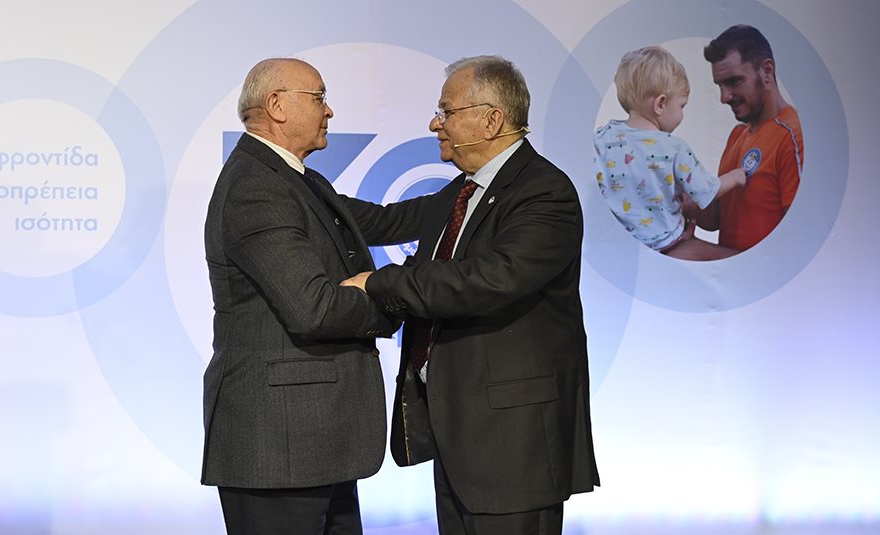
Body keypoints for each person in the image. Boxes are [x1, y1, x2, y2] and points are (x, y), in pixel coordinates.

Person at [342, 56, 599, 535]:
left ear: (491, 119)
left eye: (446, 111)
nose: (434, 123)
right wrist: (295, 184)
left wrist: (378, 283)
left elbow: (486, 282)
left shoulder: (545, 192)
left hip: (514, 446)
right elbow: (383, 221)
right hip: (460, 438)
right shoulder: (461, 192)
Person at [201, 58, 424, 535]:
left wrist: (471, 194)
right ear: (277, 106)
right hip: (280, 446)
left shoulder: (298, 180)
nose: (330, 110)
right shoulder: (256, 187)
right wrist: (388, 296)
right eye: (319, 97)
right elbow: (315, 308)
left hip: (315, 442)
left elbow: (387, 221)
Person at [593, 45, 746, 261]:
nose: (682, 114)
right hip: (666, 244)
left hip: (619, 246)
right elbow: (706, 191)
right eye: (682, 106)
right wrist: (735, 177)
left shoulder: (603, 137)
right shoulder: (674, 148)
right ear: (661, 104)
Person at [695, 24, 804, 251]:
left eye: (734, 81)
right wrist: (678, 199)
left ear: (767, 71)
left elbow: (798, 243)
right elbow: (716, 218)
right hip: (733, 273)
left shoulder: (793, 136)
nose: (724, 97)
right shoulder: (737, 135)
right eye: (720, 85)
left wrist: (704, 255)